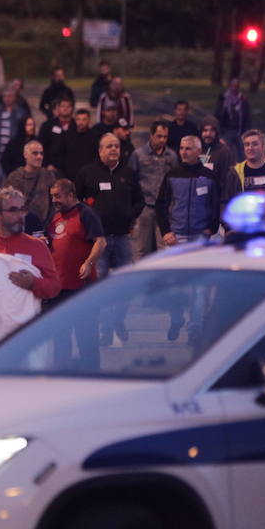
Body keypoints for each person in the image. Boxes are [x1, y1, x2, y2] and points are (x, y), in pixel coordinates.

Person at [76, 133, 144, 347]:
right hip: (99, 241)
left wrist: (129, 216)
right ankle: (105, 329)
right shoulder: (87, 173)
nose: (114, 150)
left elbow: (139, 201)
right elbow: (78, 203)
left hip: (123, 237)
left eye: (116, 146)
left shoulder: (128, 173)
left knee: (125, 285)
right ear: (100, 150)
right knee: (101, 287)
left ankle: (118, 321)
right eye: (109, 146)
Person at [44, 179, 106, 370]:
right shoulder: (54, 217)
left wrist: (89, 263)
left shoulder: (86, 213)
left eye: (58, 196)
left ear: (71, 195)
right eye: (52, 196)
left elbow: (101, 242)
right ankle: (62, 372)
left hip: (81, 286)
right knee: (60, 334)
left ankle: (92, 371)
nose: (54, 200)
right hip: (59, 286)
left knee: (85, 333)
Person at [0, 187, 62, 306]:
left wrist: (33, 283)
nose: (20, 215)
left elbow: (54, 287)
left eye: (22, 209)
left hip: (26, 323)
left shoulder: (37, 246)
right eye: (13, 210)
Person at [128, 121, 180, 260]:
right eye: (159, 136)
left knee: (164, 249)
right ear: (151, 135)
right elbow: (131, 181)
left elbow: (175, 182)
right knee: (140, 248)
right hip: (144, 207)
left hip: (164, 209)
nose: (162, 140)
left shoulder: (172, 156)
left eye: (165, 137)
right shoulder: (138, 155)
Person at [155, 136, 220, 247]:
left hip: (201, 236)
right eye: (181, 148)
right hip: (176, 236)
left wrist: (211, 228)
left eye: (188, 149)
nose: (183, 152)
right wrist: (165, 232)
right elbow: (161, 205)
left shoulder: (209, 176)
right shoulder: (172, 175)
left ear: (199, 151)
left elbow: (216, 205)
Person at [220, 129, 265, 206]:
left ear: (263, 147)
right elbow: (227, 205)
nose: (250, 148)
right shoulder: (234, 174)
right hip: (245, 217)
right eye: (247, 144)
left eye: (255, 144)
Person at [5, 139, 58, 223]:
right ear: (25, 155)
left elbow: (54, 203)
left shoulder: (48, 175)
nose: (39, 157)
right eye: (35, 153)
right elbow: (9, 205)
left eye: (41, 153)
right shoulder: (15, 177)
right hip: (20, 226)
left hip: (42, 228)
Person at [0, 86, 30, 187]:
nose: (7, 98)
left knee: (13, 180)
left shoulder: (21, 112)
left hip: (13, 153)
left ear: (15, 97)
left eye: (10, 96)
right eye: (5, 96)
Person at [216, 77, 251, 154]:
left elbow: (247, 116)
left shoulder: (242, 99)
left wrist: (247, 130)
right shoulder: (223, 98)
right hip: (227, 129)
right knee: (226, 149)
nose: (235, 88)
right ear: (229, 86)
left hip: (240, 129)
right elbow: (218, 114)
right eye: (233, 86)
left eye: (237, 86)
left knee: (243, 151)